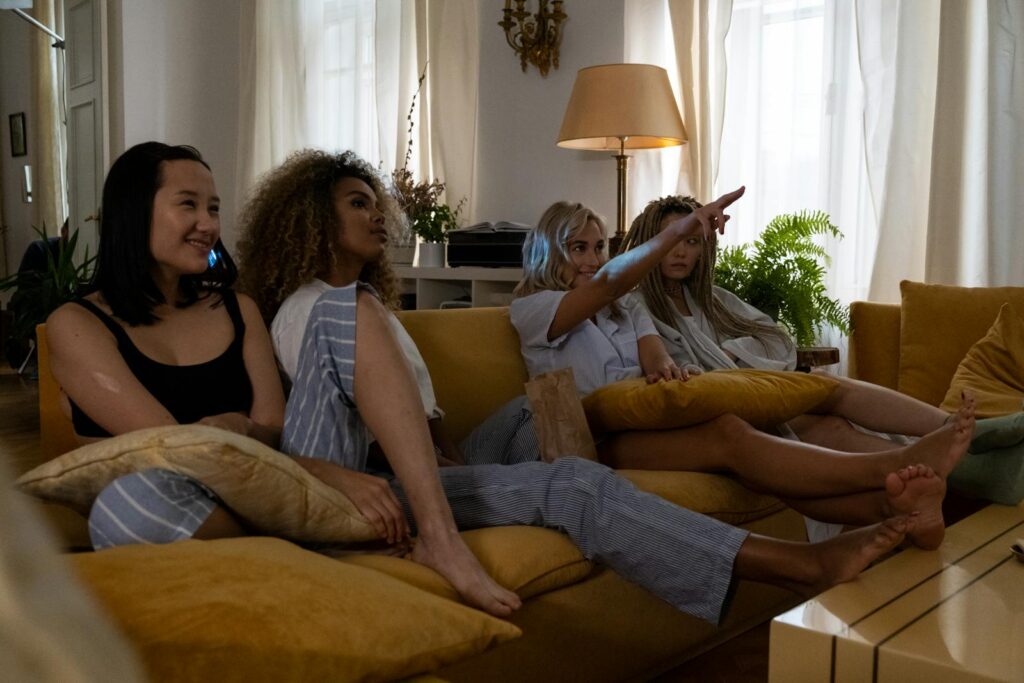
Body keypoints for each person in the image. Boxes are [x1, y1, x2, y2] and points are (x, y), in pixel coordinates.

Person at [235, 148, 935, 625]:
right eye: (358, 203)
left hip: (440, 464)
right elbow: (292, 432)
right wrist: (669, 238)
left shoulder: (372, 309)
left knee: (585, 461)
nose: (377, 217)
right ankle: (827, 539)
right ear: (311, 219)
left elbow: (618, 311)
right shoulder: (313, 308)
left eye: (375, 203)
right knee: (570, 440)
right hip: (367, 483)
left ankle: (850, 524)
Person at [45, 142, 516, 618]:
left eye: (213, 208)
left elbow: (274, 425)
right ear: (133, 212)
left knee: (345, 305)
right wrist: (315, 468)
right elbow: (170, 446)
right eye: (188, 204)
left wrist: (254, 434)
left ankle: (436, 538)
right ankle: (324, 546)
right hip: (194, 498)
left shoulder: (235, 307)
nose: (208, 225)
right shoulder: (77, 322)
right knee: (126, 506)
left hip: (281, 488)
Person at [509, 198, 977, 550]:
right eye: (577, 248)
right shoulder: (534, 310)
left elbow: (654, 356)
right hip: (593, 438)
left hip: (649, 416)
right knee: (734, 435)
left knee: (746, 435)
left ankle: (899, 511)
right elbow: (613, 279)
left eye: (596, 247)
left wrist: (672, 374)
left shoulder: (624, 309)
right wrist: (681, 230)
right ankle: (896, 463)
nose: (591, 259)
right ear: (549, 252)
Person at [621, 194, 1024, 454]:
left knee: (830, 399)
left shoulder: (712, 300)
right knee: (824, 406)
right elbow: (658, 367)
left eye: (692, 241)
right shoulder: (634, 304)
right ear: (648, 244)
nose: (681, 252)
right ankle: (937, 450)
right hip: (719, 407)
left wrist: (734, 352)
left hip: (748, 390)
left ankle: (952, 430)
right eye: (671, 240)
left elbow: (778, 340)